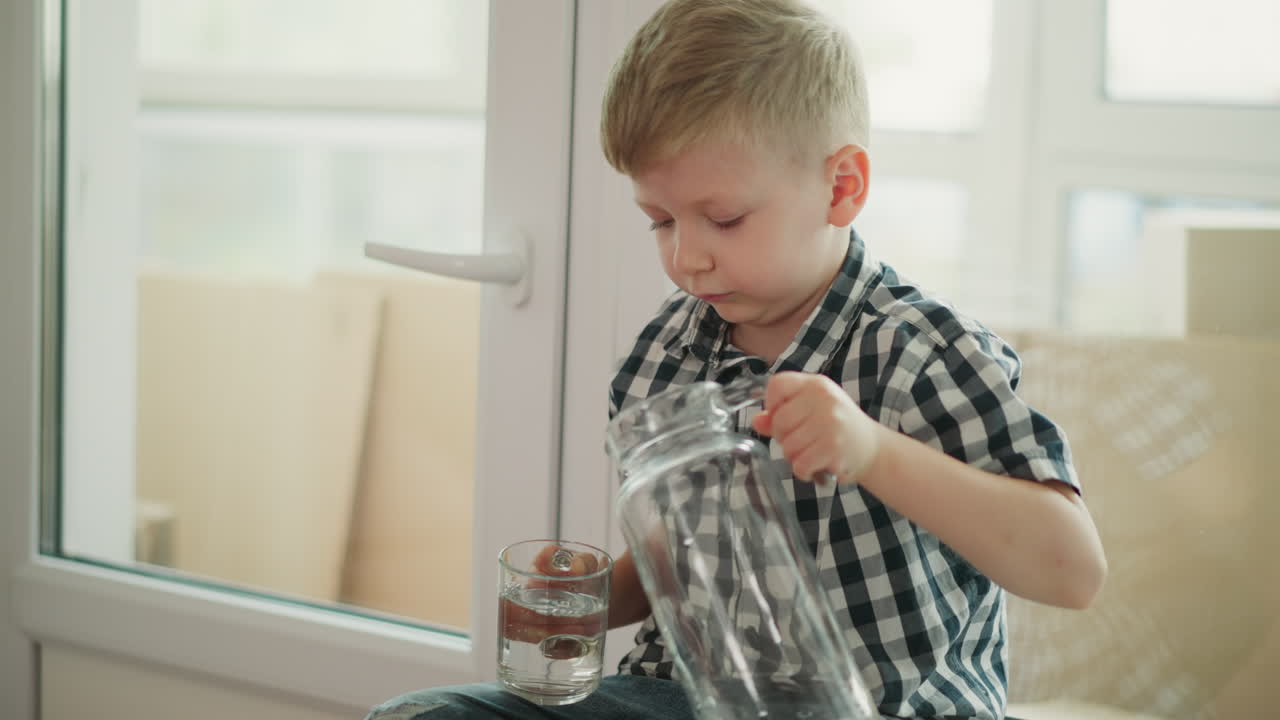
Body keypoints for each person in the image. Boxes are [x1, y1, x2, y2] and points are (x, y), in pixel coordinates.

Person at [365, 1, 1107, 718]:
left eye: (723, 218)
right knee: (425, 715)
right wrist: (589, 600)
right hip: (682, 700)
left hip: (885, 709)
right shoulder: (663, 357)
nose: (686, 258)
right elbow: (676, 570)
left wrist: (874, 450)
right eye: (659, 220)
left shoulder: (919, 352)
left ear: (841, 187)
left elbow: (1072, 570)